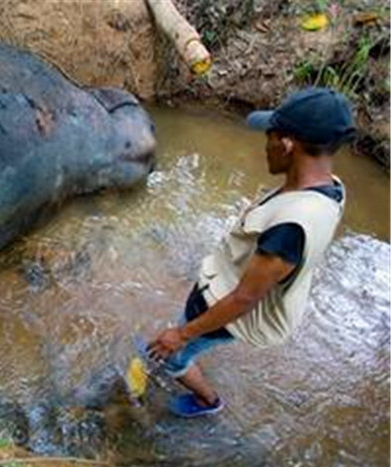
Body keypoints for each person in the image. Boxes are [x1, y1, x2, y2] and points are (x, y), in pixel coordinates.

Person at [147, 87, 355, 418]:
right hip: (249, 289)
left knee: (175, 354)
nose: (266, 148)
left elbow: (244, 299)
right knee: (180, 339)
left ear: (287, 145)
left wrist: (181, 335)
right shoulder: (330, 188)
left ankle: (207, 401)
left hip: (231, 302)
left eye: (269, 138)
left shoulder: (290, 228)